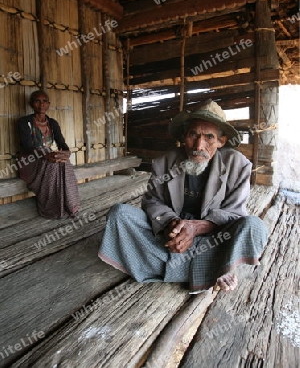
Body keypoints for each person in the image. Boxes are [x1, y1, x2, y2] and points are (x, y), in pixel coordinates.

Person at [98, 100, 268, 293]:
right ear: (183, 136)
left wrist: (195, 228)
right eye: (193, 134)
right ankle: (215, 269)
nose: (198, 145)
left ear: (221, 141)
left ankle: (165, 266)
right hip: (171, 235)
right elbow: (152, 201)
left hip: (213, 238)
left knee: (255, 227)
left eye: (209, 137)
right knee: (119, 214)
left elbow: (234, 213)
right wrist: (172, 224)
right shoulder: (165, 162)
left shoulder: (238, 165)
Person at [17, 90, 80, 219]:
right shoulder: (24, 122)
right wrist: (46, 155)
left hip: (47, 158)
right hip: (28, 161)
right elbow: (28, 147)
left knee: (64, 162)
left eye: (44, 101)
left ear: (49, 104)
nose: (41, 104)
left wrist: (65, 153)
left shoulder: (53, 123)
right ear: (31, 104)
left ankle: (70, 205)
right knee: (50, 159)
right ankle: (51, 209)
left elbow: (62, 143)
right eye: (37, 101)